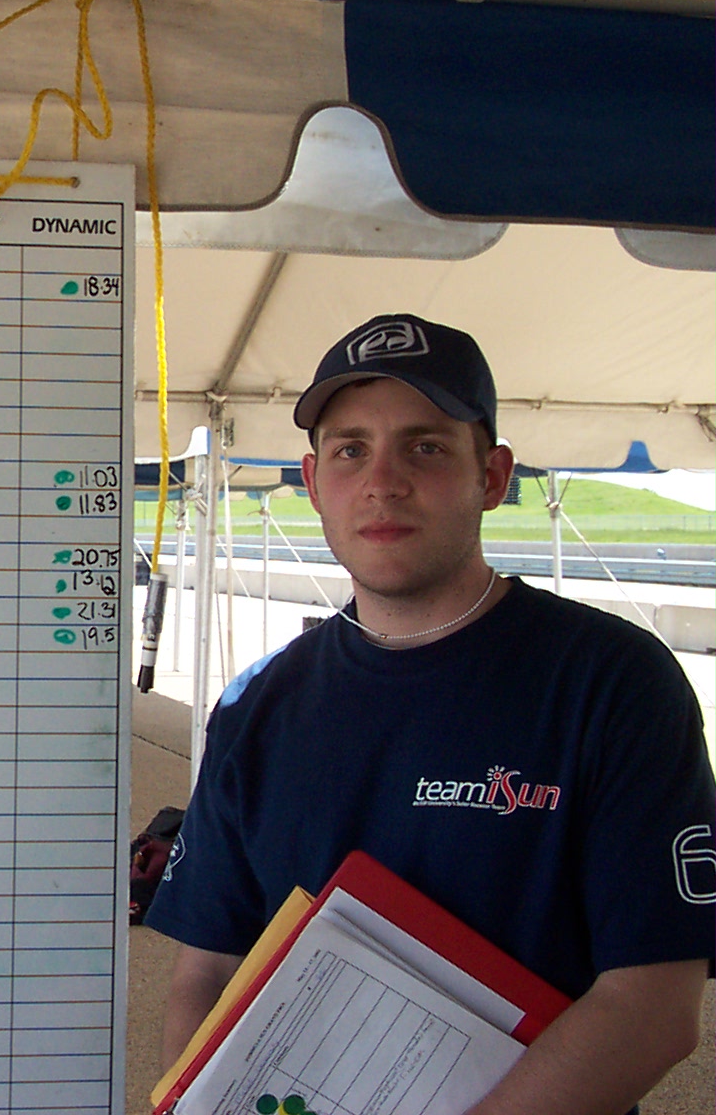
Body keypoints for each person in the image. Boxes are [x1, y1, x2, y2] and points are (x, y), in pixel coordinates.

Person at [145, 313, 716, 1115]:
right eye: (351, 450)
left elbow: (654, 1006)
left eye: (426, 446)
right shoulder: (256, 704)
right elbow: (207, 972)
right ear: (313, 484)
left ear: (492, 476)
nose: (384, 481)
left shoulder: (613, 682)